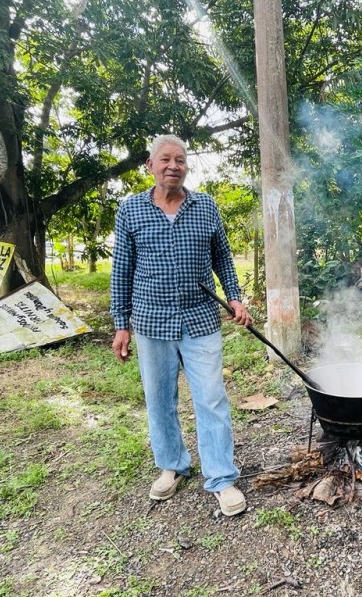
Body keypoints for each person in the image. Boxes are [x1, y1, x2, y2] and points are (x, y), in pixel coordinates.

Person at [110, 134, 252, 516]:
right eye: (166, 159)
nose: (174, 166)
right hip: (152, 320)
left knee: (211, 397)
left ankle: (221, 478)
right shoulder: (131, 211)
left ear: (187, 167)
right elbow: (121, 270)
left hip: (200, 318)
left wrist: (234, 295)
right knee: (159, 400)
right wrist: (120, 323)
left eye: (181, 160)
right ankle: (172, 465)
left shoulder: (205, 207)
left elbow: (222, 255)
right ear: (150, 165)